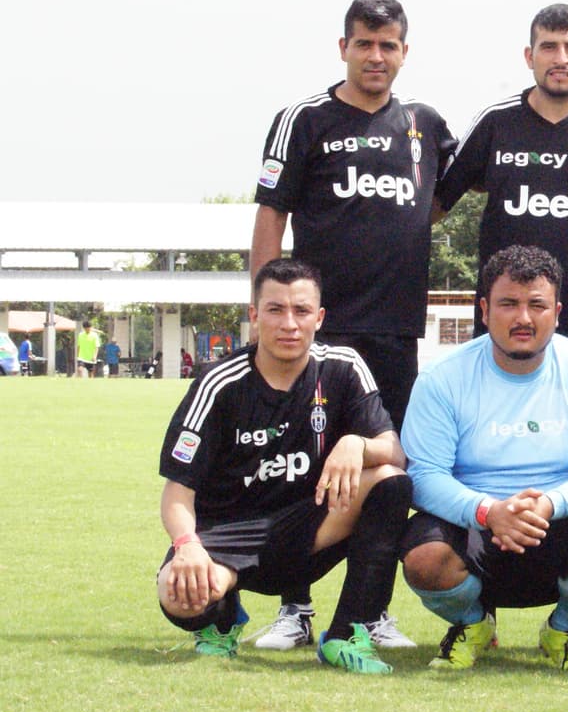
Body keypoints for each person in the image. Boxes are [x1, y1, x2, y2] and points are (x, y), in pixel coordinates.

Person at [248, 0, 452, 651]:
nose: (375, 55)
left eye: (388, 44)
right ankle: (294, 605)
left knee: (390, 472)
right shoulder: (303, 119)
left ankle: (373, 609)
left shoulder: (426, 125)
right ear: (343, 47)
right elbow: (271, 216)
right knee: (303, 465)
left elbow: (433, 203)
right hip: (316, 335)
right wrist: (265, 310)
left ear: (404, 52)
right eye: (364, 42)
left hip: (394, 331)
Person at [154, 259, 412, 674]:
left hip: (309, 528)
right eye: (275, 310)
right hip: (230, 537)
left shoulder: (342, 366)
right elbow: (177, 491)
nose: (289, 324)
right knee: (177, 595)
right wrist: (187, 547)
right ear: (254, 316)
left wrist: (356, 444)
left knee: (391, 482)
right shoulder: (218, 384)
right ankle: (222, 620)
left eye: (301, 311)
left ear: (319, 317)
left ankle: (347, 635)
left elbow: (393, 451)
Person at [399, 246, 568, 676]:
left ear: (557, 312)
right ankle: (471, 625)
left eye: (537, 305)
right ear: (485, 309)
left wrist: (546, 505)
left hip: (556, 526)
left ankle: (565, 631)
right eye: (509, 304)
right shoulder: (442, 377)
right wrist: (490, 512)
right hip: (476, 528)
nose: (523, 318)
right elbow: (423, 475)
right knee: (424, 556)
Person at [433, 2, 568, 354]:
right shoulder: (495, 123)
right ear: (529, 55)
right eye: (549, 47)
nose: (561, 58)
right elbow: (433, 206)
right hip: (504, 331)